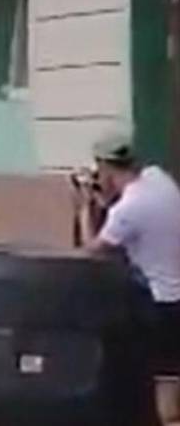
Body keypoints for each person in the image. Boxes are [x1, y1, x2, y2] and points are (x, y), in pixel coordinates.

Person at [79, 133, 180, 421]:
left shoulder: (127, 210)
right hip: (176, 295)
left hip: (158, 304)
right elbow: (141, 222)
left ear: (106, 169)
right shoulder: (159, 179)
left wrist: (86, 206)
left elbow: (93, 252)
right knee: (171, 378)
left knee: (163, 392)